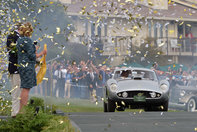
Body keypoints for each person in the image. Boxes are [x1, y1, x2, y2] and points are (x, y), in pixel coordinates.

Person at [17, 22, 47, 111]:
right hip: (27, 66)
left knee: (24, 88)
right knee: (26, 89)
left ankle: (21, 110)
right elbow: (32, 56)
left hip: (21, 65)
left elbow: (26, 52)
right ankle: (22, 111)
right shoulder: (28, 40)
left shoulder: (19, 40)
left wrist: (34, 49)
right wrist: (42, 53)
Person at [6, 23, 22, 117]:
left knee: (16, 90)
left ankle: (15, 111)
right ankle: (15, 113)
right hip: (16, 68)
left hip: (13, 67)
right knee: (17, 91)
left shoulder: (11, 36)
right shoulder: (15, 37)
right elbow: (15, 51)